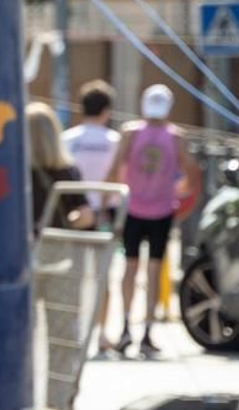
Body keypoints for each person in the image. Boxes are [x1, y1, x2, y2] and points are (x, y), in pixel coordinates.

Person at [105, 83, 202, 358]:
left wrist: (106, 202)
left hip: (133, 208)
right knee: (153, 271)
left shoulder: (130, 132)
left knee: (130, 269)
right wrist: (179, 197)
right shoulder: (176, 137)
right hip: (161, 210)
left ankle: (126, 328)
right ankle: (146, 331)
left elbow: (115, 167)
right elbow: (193, 173)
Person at [61, 80, 121, 353]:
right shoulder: (114, 141)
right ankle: (101, 334)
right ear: (107, 110)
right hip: (105, 213)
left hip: (72, 214)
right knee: (103, 276)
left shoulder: (67, 139)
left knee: (72, 277)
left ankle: (73, 331)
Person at [25, 102, 91, 234]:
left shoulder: (18, 174)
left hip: (24, 245)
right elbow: (86, 217)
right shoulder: (69, 171)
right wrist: (61, 224)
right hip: (56, 247)